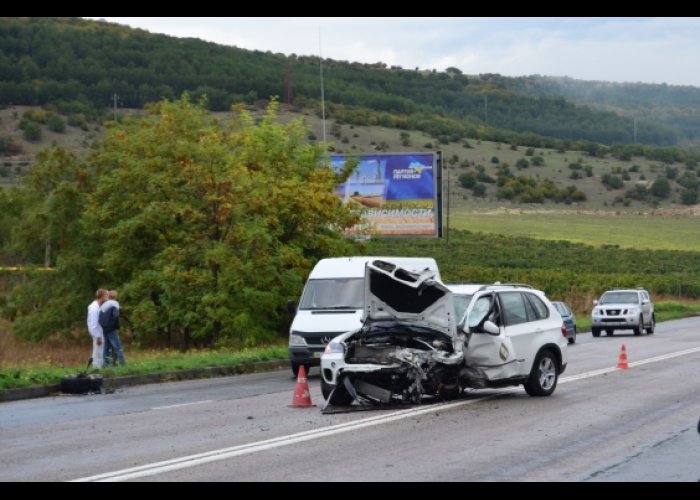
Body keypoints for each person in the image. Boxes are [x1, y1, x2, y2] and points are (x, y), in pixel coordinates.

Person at [99, 290, 127, 367]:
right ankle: (123, 363)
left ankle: (106, 364)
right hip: (111, 328)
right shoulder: (115, 303)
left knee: (106, 347)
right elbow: (116, 315)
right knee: (117, 346)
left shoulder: (103, 305)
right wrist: (115, 325)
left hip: (104, 328)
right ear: (115, 297)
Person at [87, 289, 108, 369]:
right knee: (98, 353)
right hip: (97, 333)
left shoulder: (98, 307)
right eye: (106, 296)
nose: (107, 299)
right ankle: (96, 369)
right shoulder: (94, 308)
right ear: (102, 297)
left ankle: (97, 368)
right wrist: (98, 337)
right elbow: (93, 324)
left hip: (98, 332)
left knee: (99, 352)